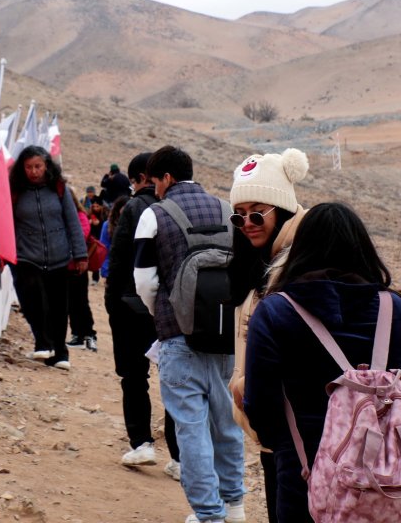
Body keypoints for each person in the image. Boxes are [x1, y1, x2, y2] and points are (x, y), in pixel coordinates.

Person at [244, 202, 401, 523]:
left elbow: (259, 405)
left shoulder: (274, 312)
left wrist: (282, 444)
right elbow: (400, 370)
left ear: (300, 250)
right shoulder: (396, 310)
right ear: (363, 249)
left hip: (303, 476)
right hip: (382, 478)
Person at [134, 146, 248, 523]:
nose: (155, 191)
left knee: (191, 429)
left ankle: (208, 514)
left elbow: (144, 282)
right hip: (224, 335)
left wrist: (164, 315)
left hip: (179, 339)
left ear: (166, 178)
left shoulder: (154, 215)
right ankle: (234, 506)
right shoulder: (226, 210)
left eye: (155, 184)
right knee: (227, 423)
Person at [227, 148, 310, 523]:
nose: (248, 223)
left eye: (258, 212)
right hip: (271, 421)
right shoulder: (259, 260)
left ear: (283, 208)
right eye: (239, 215)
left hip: (300, 426)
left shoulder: (300, 263)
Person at [104, 153, 181, 478]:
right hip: (173, 310)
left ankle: (142, 444)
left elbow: (120, 262)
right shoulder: (177, 210)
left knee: (133, 378)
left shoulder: (134, 208)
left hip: (131, 307)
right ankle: (179, 458)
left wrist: (111, 303)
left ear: (138, 178)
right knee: (175, 381)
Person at [7, 145, 88, 370]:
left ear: (46, 166)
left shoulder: (59, 189)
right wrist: (1, 255)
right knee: (32, 301)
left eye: (38, 166)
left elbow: (73, 222)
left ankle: (60, 353)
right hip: (26, 257)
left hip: (59, 257)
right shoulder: (14, 191)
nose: (34, 171)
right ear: (22, 168)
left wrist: (80, 254)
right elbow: (6, 225)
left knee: (58, 307)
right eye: (29, 167)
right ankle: (42, 341)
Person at [67, 195, 98, 352]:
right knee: (72, 303)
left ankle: (88, 334)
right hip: (67, 267)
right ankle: (78, 334)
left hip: (77, 267)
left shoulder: (80, 217)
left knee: (80, 302)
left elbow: (80, 237)